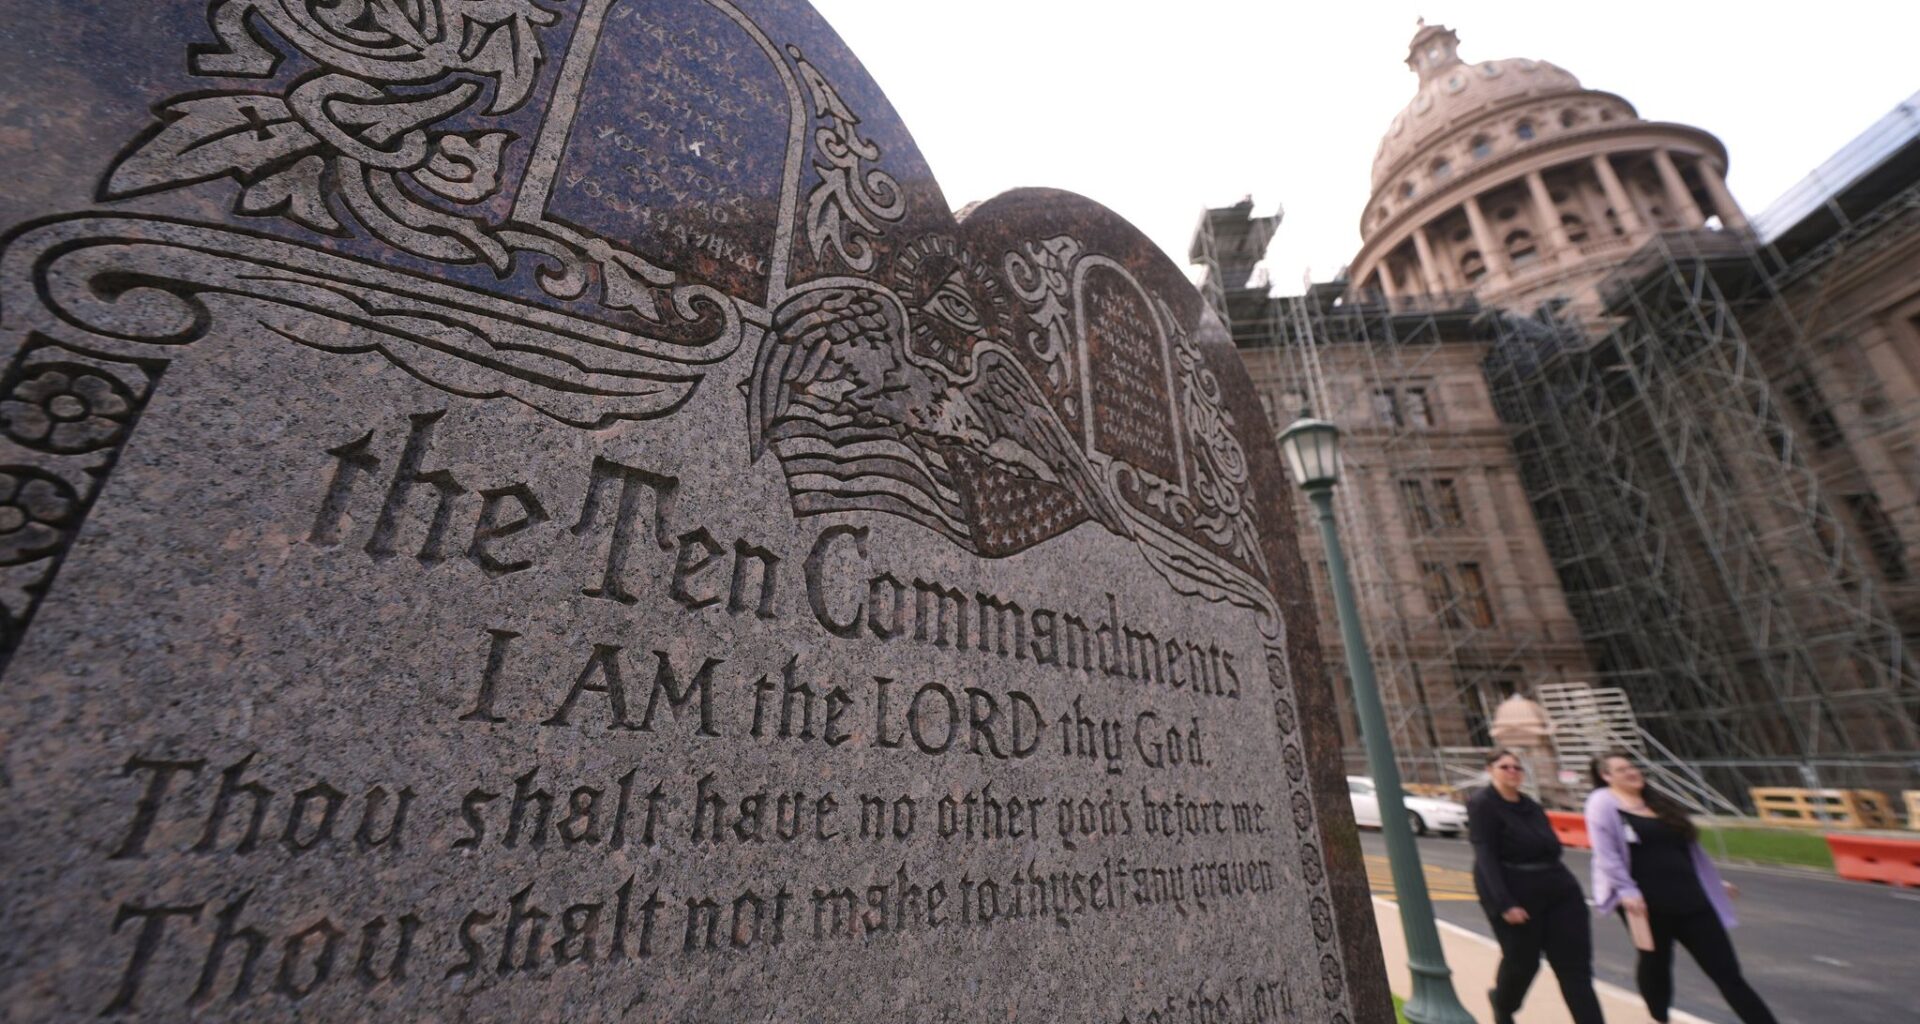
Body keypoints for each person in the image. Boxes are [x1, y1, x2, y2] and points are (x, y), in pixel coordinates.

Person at [1585, 751, 1780, 1024]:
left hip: (1692, 900)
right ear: (1606, 776)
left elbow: (1687, 851)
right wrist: (1626, 890)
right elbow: (1607, 854)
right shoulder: (1602, 804)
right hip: (1646, 904)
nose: (1631, 772)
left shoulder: (1659, 803)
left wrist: (1713, 882)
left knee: (1727, 972)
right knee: (1656, 965)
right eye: (1621, 770)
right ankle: (1659, 1017)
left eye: (1632, 767)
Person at [1468, 749, 1604, 1024]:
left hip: (1559, 890)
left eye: (1517, 767)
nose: (1512, 772)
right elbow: (1485, 854)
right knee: (1523, 962)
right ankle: (1503, 1004)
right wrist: (1504, 902)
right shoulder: (1482, 803)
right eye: (1505, 767)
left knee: (1574, 969)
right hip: (1514, 890)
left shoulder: (1531, 805)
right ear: (1490, 770)